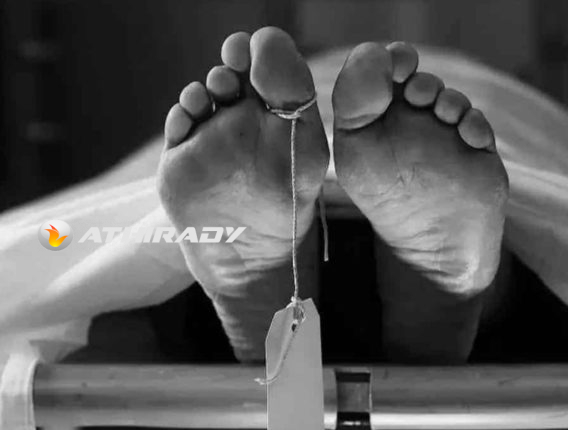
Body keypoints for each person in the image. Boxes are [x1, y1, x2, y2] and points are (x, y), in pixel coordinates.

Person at [158, 27, 508, 364]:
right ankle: (442, 307)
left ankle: (259, 304)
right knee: (521, 246)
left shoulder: (249, 97)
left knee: (163, 288)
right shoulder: (473, 73)